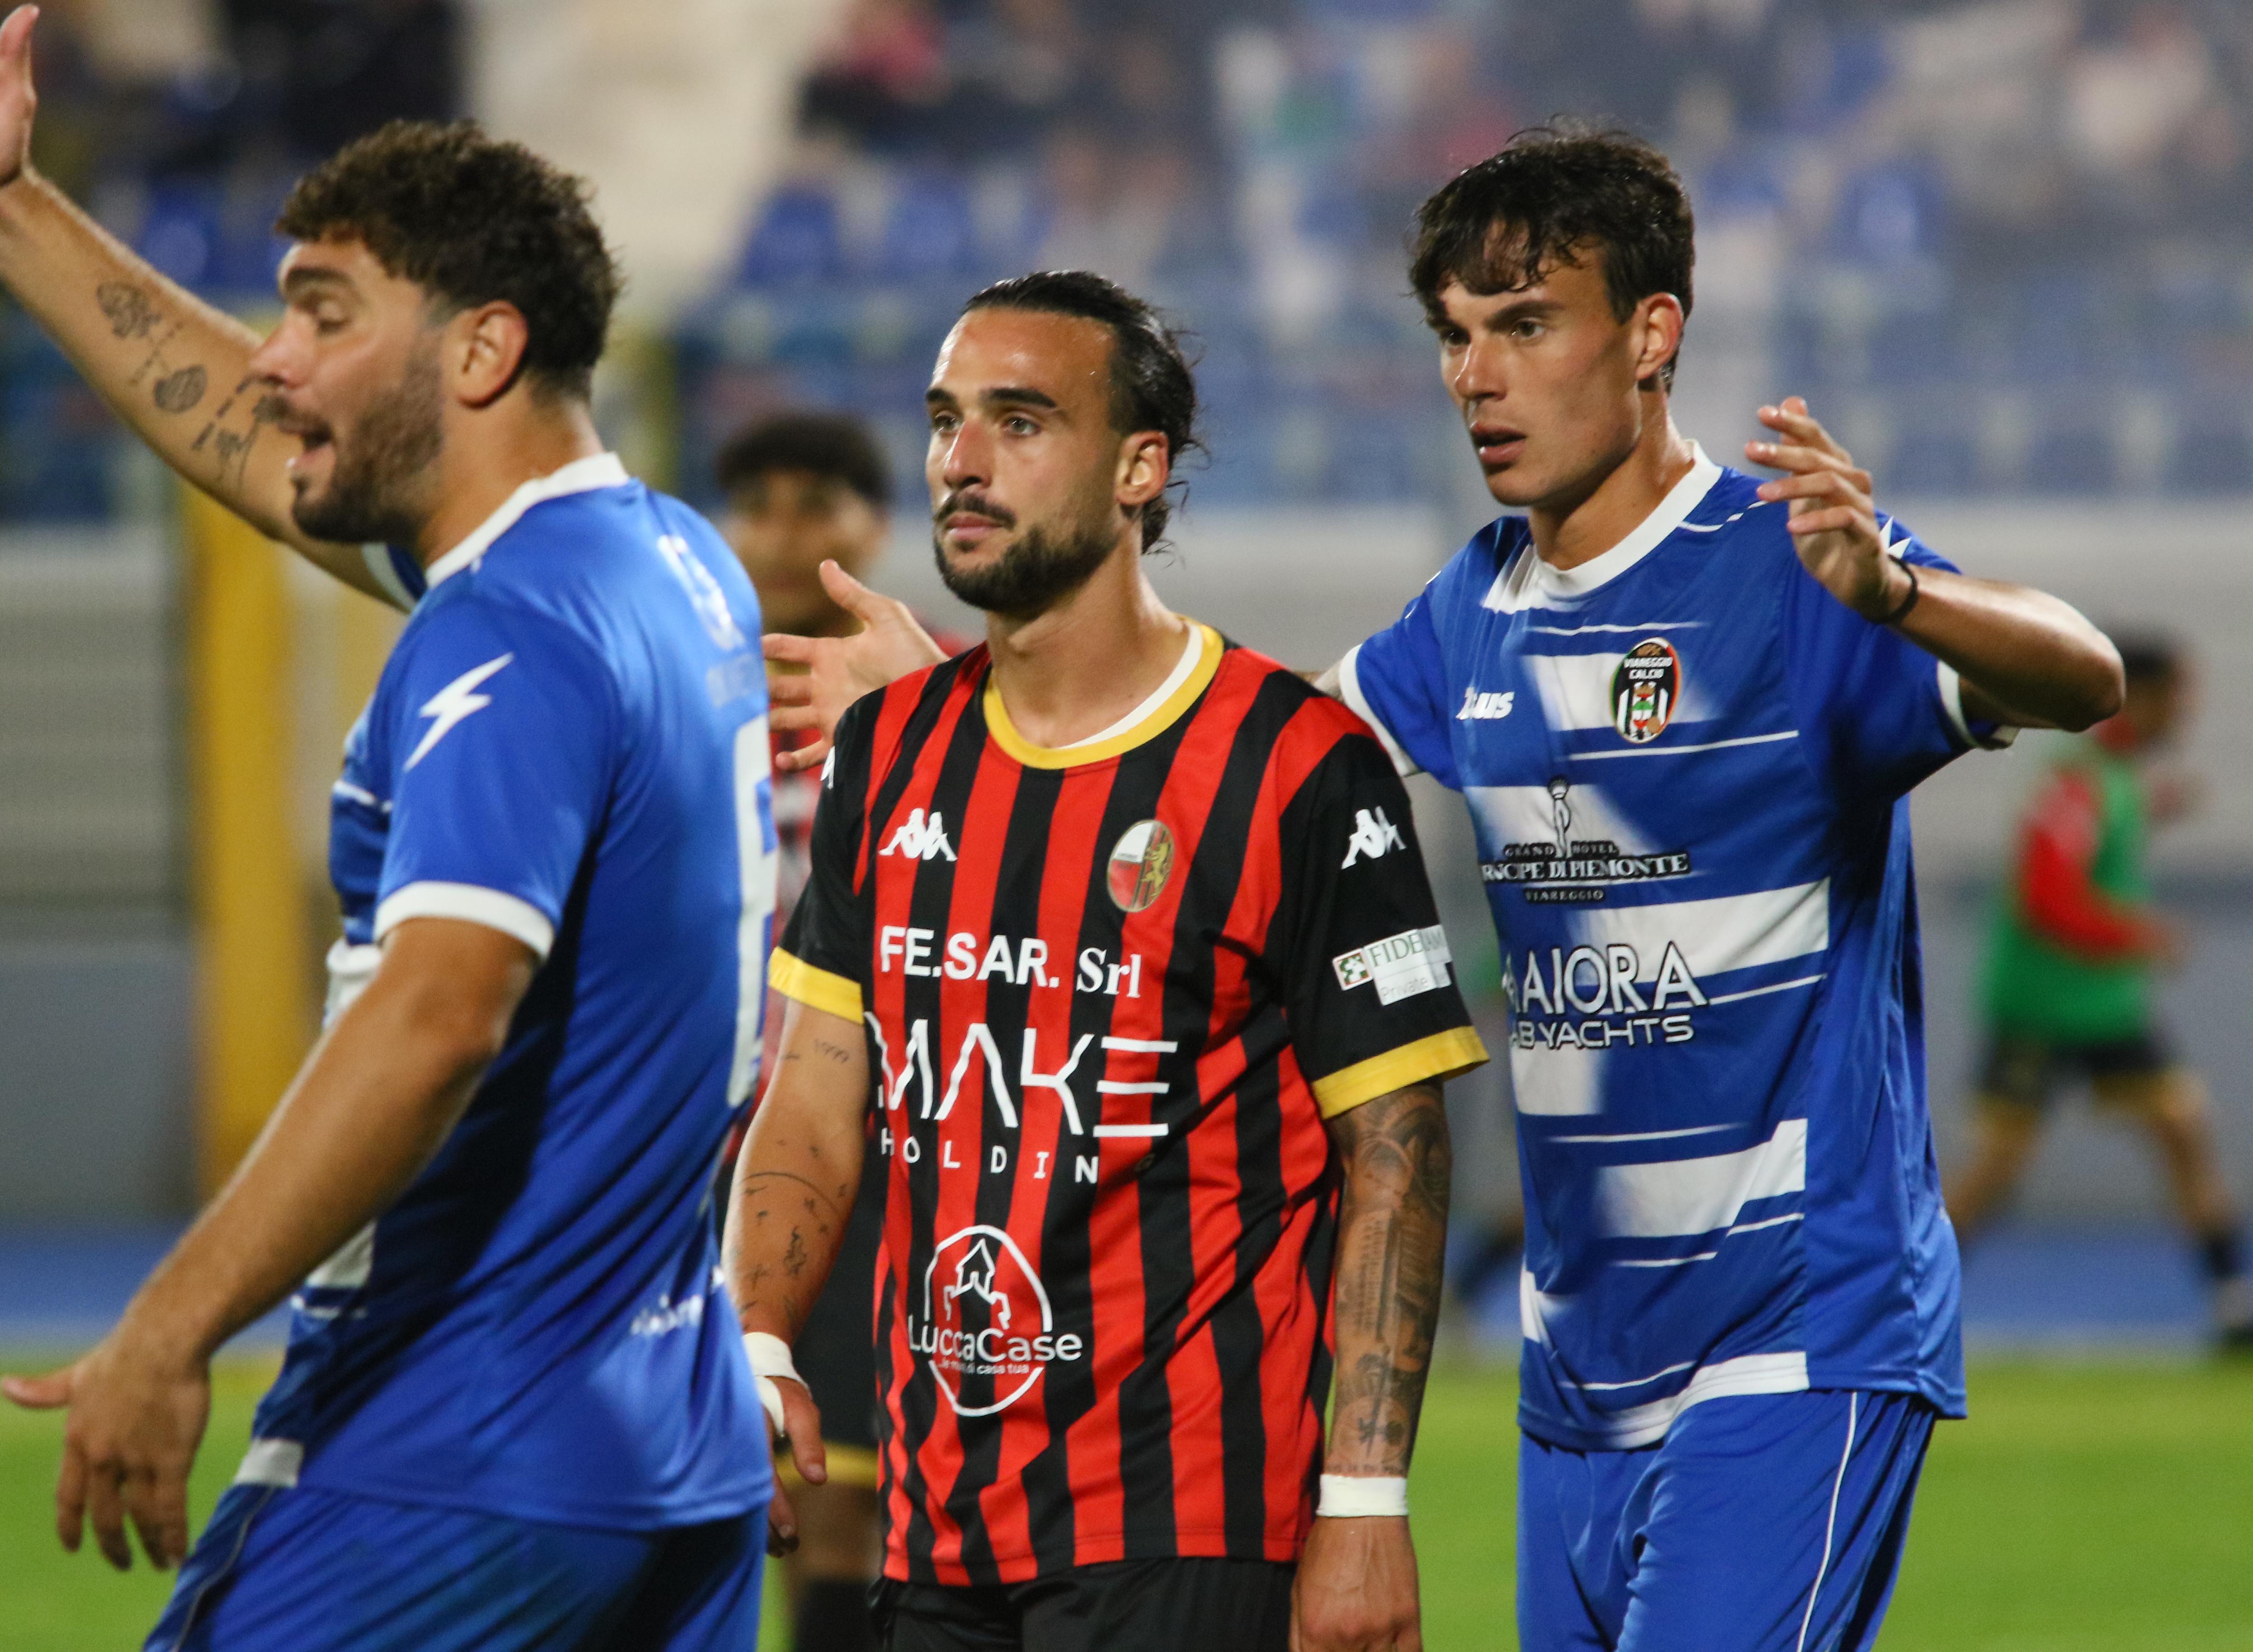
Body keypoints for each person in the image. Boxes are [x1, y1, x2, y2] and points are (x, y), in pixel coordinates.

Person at [761, 132, 2125, 1652]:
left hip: (1797, 1330)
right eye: (1456, 336)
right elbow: (1226, 770)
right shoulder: (1474, 609)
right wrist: (968, 703)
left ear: (1653, 333)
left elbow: (2087, 673)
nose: (1478, 378)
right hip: (1579, 1355)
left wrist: (1903, 594)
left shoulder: (1790, 567)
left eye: (1526, 326)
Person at [0, 5, 776, 1648]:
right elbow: (271, 460)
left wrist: (168, 1326)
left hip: (449, 1455)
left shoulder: (511, 636)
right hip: (667, 1461)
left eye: (325, 314)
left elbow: (438, 1014)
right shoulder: (668, 564)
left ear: (477, 353)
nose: (275, 358)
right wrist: (2, 203)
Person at [728, 270, 1489, 1652]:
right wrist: (760, 1336)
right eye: (946, 419)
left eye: (1020, 422)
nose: (962, 459)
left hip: (1186, 1522)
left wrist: (1367, 1497)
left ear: (1141, 469)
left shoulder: (1295, 763)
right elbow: (818, 1092)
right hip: (935, 1515)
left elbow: (1396, 1147)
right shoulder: (885, 754)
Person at [713, 410, 961, 1652]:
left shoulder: (943, 693)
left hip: (870, 1148)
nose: (782, 533)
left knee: (848, 1488)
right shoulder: (681, 697)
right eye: (757, 504)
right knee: (731, 1486)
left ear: (874, 527)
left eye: (815, 503)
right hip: (697, 1148)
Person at [1950, 634, 2253, 1351]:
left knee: (2183, 1129)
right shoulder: (2076, 782)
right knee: (1995, 1170)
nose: (2185, 712)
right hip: (2041, 1007)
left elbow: (2099, 837)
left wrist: (2158, 808)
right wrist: (2138, 933)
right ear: (2139, 697)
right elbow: (2047, 898)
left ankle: (2231, 1298)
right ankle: (1909, 1302)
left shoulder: (2115, 781)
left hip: (2105, 1008)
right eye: (2176, 696)